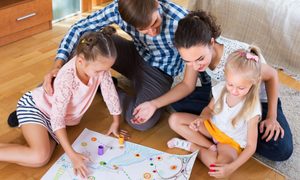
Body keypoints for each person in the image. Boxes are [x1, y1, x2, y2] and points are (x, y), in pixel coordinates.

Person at [132, 10, 293, 161]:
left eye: (200, 59)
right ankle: (220, 135)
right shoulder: (195, 52)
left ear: (212, 42)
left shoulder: (238, 58)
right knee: (177, 101)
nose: (194, 65)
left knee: (281, 149)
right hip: (224, 97)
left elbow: (271, 75)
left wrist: (272, 117)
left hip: (255, 102)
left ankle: (232, 137)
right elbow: (187, 85)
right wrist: (154, 104)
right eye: (188, 61)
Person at [7, 0, 188, 131]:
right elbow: (78, 28)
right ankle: (36, 104)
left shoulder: (181, 21)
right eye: (143, 29)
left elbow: (205, 53)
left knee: (141, 122)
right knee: (86, 44)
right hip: (133, 53)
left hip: (159, 72)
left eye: (155, 23)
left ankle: (106, 88)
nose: (152, 33)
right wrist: (58, 64)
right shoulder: (119, 8)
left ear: (156, 3)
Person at [1, 29, 123, 178]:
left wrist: (115, 122)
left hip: (55, 117)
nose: (104, 74)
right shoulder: (67, 78)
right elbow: (57, 117)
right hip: (37, 107)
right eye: (99, 71)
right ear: (80, 61)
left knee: (42, 159)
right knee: (39, 157)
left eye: (106, 69)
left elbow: (110, 93)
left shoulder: (100, 70)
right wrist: (72, 155)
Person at [167, 49, 262, 178]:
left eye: (241, 88)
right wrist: (200, 119)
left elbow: (251, 146)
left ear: (254, 82)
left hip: (230, 143)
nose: (234, 91)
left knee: (217, 170)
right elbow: (209, 109)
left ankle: (191, 146)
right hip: (211, 128)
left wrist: (231, 168)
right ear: (226, 76)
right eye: (230, 84)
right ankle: (210, 146)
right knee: (174, 120)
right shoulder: (222, 88)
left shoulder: (252, 108)